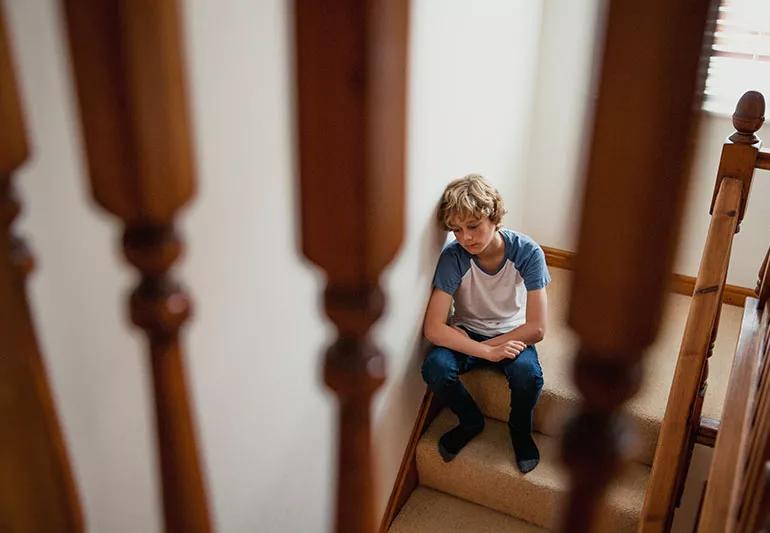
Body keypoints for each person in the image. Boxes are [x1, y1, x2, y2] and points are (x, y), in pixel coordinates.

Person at [421, 174, 549, 474]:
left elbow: (538, 328)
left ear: (494, 217)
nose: (466, 238)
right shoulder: (454, 258)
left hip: (512, 331)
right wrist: (483, 350)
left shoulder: (527, 252)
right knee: (435, 367)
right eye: (456, 230)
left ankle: (519, 430)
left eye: (473, 226)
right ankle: (470, 420)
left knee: (527, 376)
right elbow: (433, 328)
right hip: (468, 331)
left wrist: (483, 349)